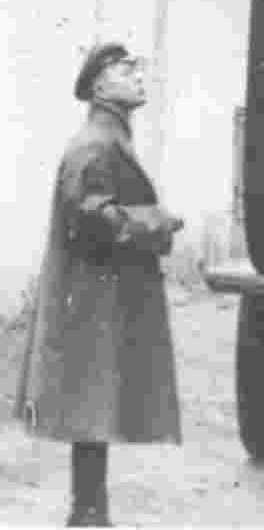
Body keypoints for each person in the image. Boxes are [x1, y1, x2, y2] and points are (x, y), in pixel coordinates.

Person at [14, 42, 185, 527]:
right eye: (123, 68)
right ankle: (87, 515)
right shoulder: (95, 143)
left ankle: (90, 513)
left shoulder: (109, 136)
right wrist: (156, 223)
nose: (136, 74)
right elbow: (89, 215)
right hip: (91, 301)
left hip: (97, 298)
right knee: (92, 406)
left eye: (135, 67)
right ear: (98, 86)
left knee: (96, 409)